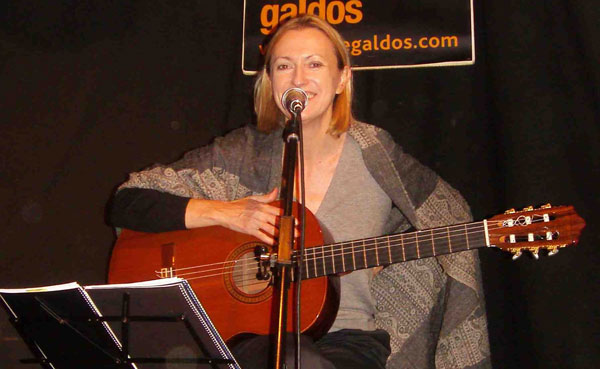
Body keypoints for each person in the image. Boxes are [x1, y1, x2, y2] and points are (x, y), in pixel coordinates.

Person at [109, 15, 490, 369]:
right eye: (283, 65)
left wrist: (394, 266)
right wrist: (227, 213)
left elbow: (445, 215)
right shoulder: (240, 154)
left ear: (342, 79)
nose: (298, 78)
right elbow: (128, 202)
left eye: (315, 63)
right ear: (269, 80)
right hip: (249, 341)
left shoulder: (377, 156)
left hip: (348, 342)